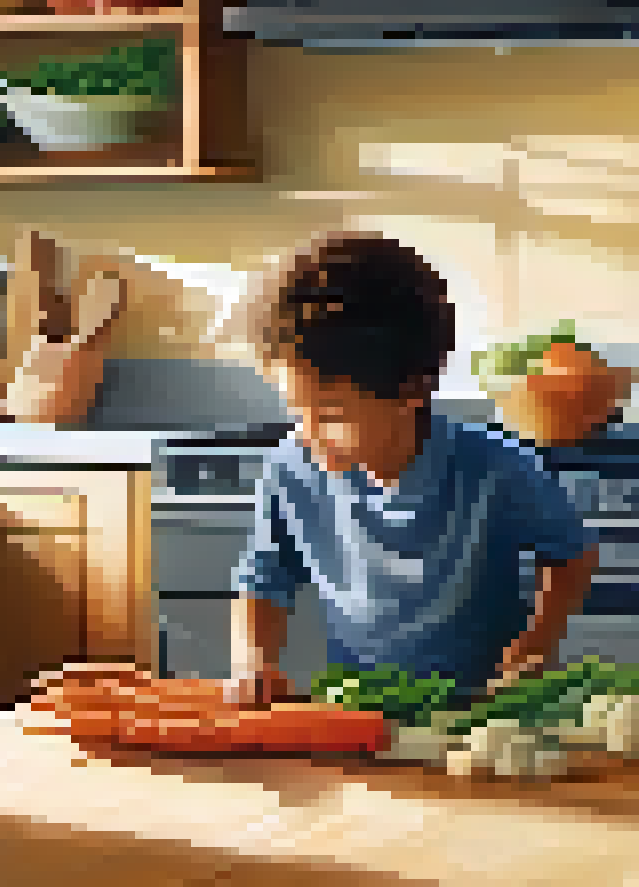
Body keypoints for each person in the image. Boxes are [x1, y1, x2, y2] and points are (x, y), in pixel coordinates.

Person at [226, 233, 599, 710]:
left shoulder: (499, 467)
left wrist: (537, 643)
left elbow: (571, 557)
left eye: (333, 416)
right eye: (298, 411)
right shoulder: (289, 467)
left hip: (481, 712)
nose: (310, 436)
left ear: (411, 390)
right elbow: (263, 579)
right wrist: (251, 660)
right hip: (356, 711)